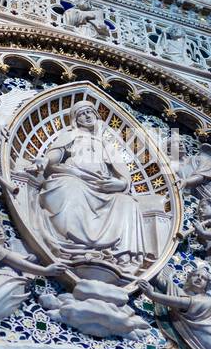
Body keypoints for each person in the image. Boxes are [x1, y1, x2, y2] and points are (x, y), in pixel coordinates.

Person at [31, 101, 151, 264]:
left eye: (90, 112)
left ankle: (123, 255)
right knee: (70, 188)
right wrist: (45, 160)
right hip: (75, 178)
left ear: (96, 115)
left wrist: (121, 184)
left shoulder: (106, 143)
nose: (87, 116)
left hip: (102, 188)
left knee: (128, 202)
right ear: (76, 120)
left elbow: (122, 173)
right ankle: (72, 242)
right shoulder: (71, 135)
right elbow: (56, 155)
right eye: (82, 113)